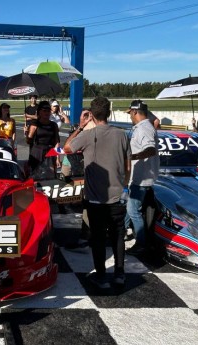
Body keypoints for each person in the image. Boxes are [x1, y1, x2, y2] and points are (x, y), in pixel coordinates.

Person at [63, 96, 131, 288]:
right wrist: (124, 184)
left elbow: (67, 147)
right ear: (109, 113)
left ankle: (101, 275)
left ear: (91, 115)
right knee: (118, 236)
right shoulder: (121, 134)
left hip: (95, 199)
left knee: (98, 238)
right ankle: (119, 273)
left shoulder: (87, 135)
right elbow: (128, 165)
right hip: (117, 195)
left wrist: (81, 125)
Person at [124, 100, 159, 256]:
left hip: (141, 178)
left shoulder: (144, 128)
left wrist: (133, 156)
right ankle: (120, 231)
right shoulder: (144, 126)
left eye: (130, 113)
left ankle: (141, 244)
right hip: (138, 177)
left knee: (133, 211)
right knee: (129, 207)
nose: (130, 116)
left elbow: (150, 149)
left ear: (135, 112)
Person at [26, 101, 59, 177]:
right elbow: (28, 141)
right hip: (37, 152)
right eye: (44, 111)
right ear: (39, 112)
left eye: (48, 111)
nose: (46, 113)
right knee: (36, 176)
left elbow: (57, 142)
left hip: (50, 152)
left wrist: (57, 157)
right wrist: (28, 132)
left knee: (51, 176)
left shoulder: (54, 125)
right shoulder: (34, 124)